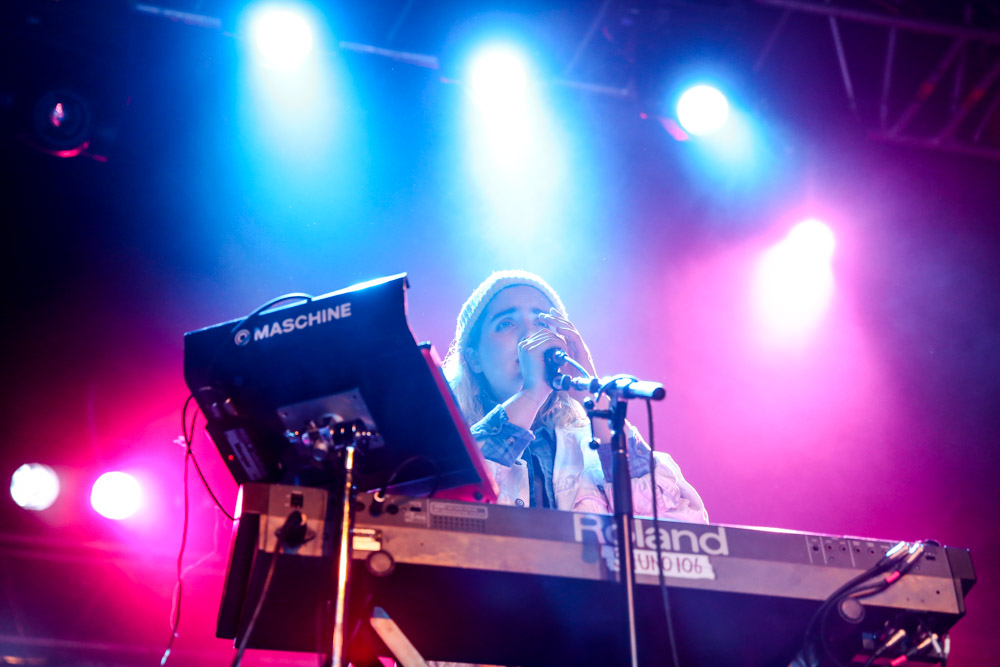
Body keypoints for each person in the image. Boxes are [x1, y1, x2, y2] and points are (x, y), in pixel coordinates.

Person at [442, 270, 707, 523]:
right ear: (473, 359)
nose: (530, 334)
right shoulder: (437, 447)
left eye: (542, 321)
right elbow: (445, 509)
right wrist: (530, 394)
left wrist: (595, 402)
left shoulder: (593, 447)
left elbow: (680, 528)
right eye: (507, 323)